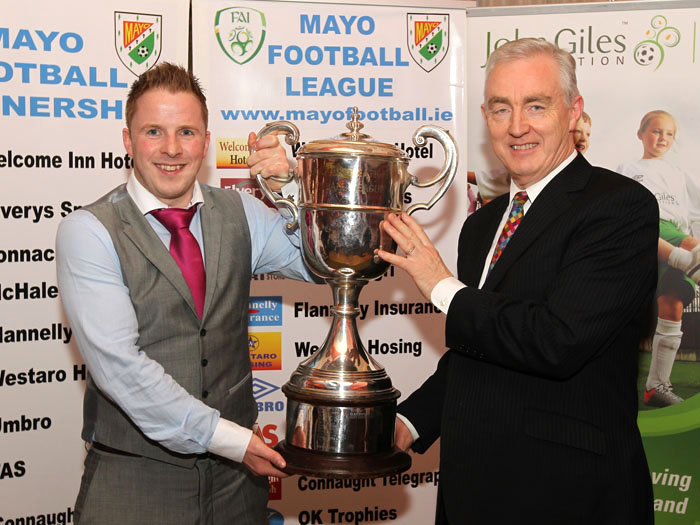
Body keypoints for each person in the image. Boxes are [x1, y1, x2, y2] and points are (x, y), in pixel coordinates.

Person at [376, 38, 657, 524]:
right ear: (485, 117)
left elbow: (556, 340)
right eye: (501, 109)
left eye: (536, 106)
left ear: (573, 111)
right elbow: (480, 350)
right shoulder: (481, 226)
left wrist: (442, 286)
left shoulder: (619, 207)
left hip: (568, 497)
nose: (517, 126)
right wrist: (408, 421)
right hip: (473, 492)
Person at [56, 63, 315, 524]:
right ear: (127, 139)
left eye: (187, 132)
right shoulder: (89, 231)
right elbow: (122, 369)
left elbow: (325, 267)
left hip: (237, 489)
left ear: (207, 141)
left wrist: (295, 187)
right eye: (154, 131)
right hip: (135, 484)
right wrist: (235, 441)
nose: (172, 149)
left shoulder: (243, 212)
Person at [618, 110, 700, 407]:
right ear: (640, 133)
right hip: (649, 228)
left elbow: (693, 213)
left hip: (674, 233)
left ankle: (655, 387)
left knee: (672, 304)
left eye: (668, 134)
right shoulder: (628, 167)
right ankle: (690, 260)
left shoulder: (680, 174)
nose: (662, 138)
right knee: (687, 245)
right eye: (655, 131)